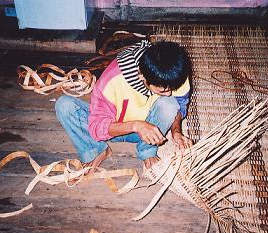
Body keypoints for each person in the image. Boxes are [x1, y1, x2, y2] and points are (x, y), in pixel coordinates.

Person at [55, 40, 193, 172]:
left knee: (170, 104)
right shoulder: (111, 81)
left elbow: (179, 104)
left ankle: (147, 150)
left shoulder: (173, 74)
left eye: (171, 89)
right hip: (113, 129)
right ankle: (95, 150)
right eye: (162, 91)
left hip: (150, 130)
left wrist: (176, 132)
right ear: (142, 77)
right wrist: (136, 125)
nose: (168, 93)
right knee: (65, 106)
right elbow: (97, 127)